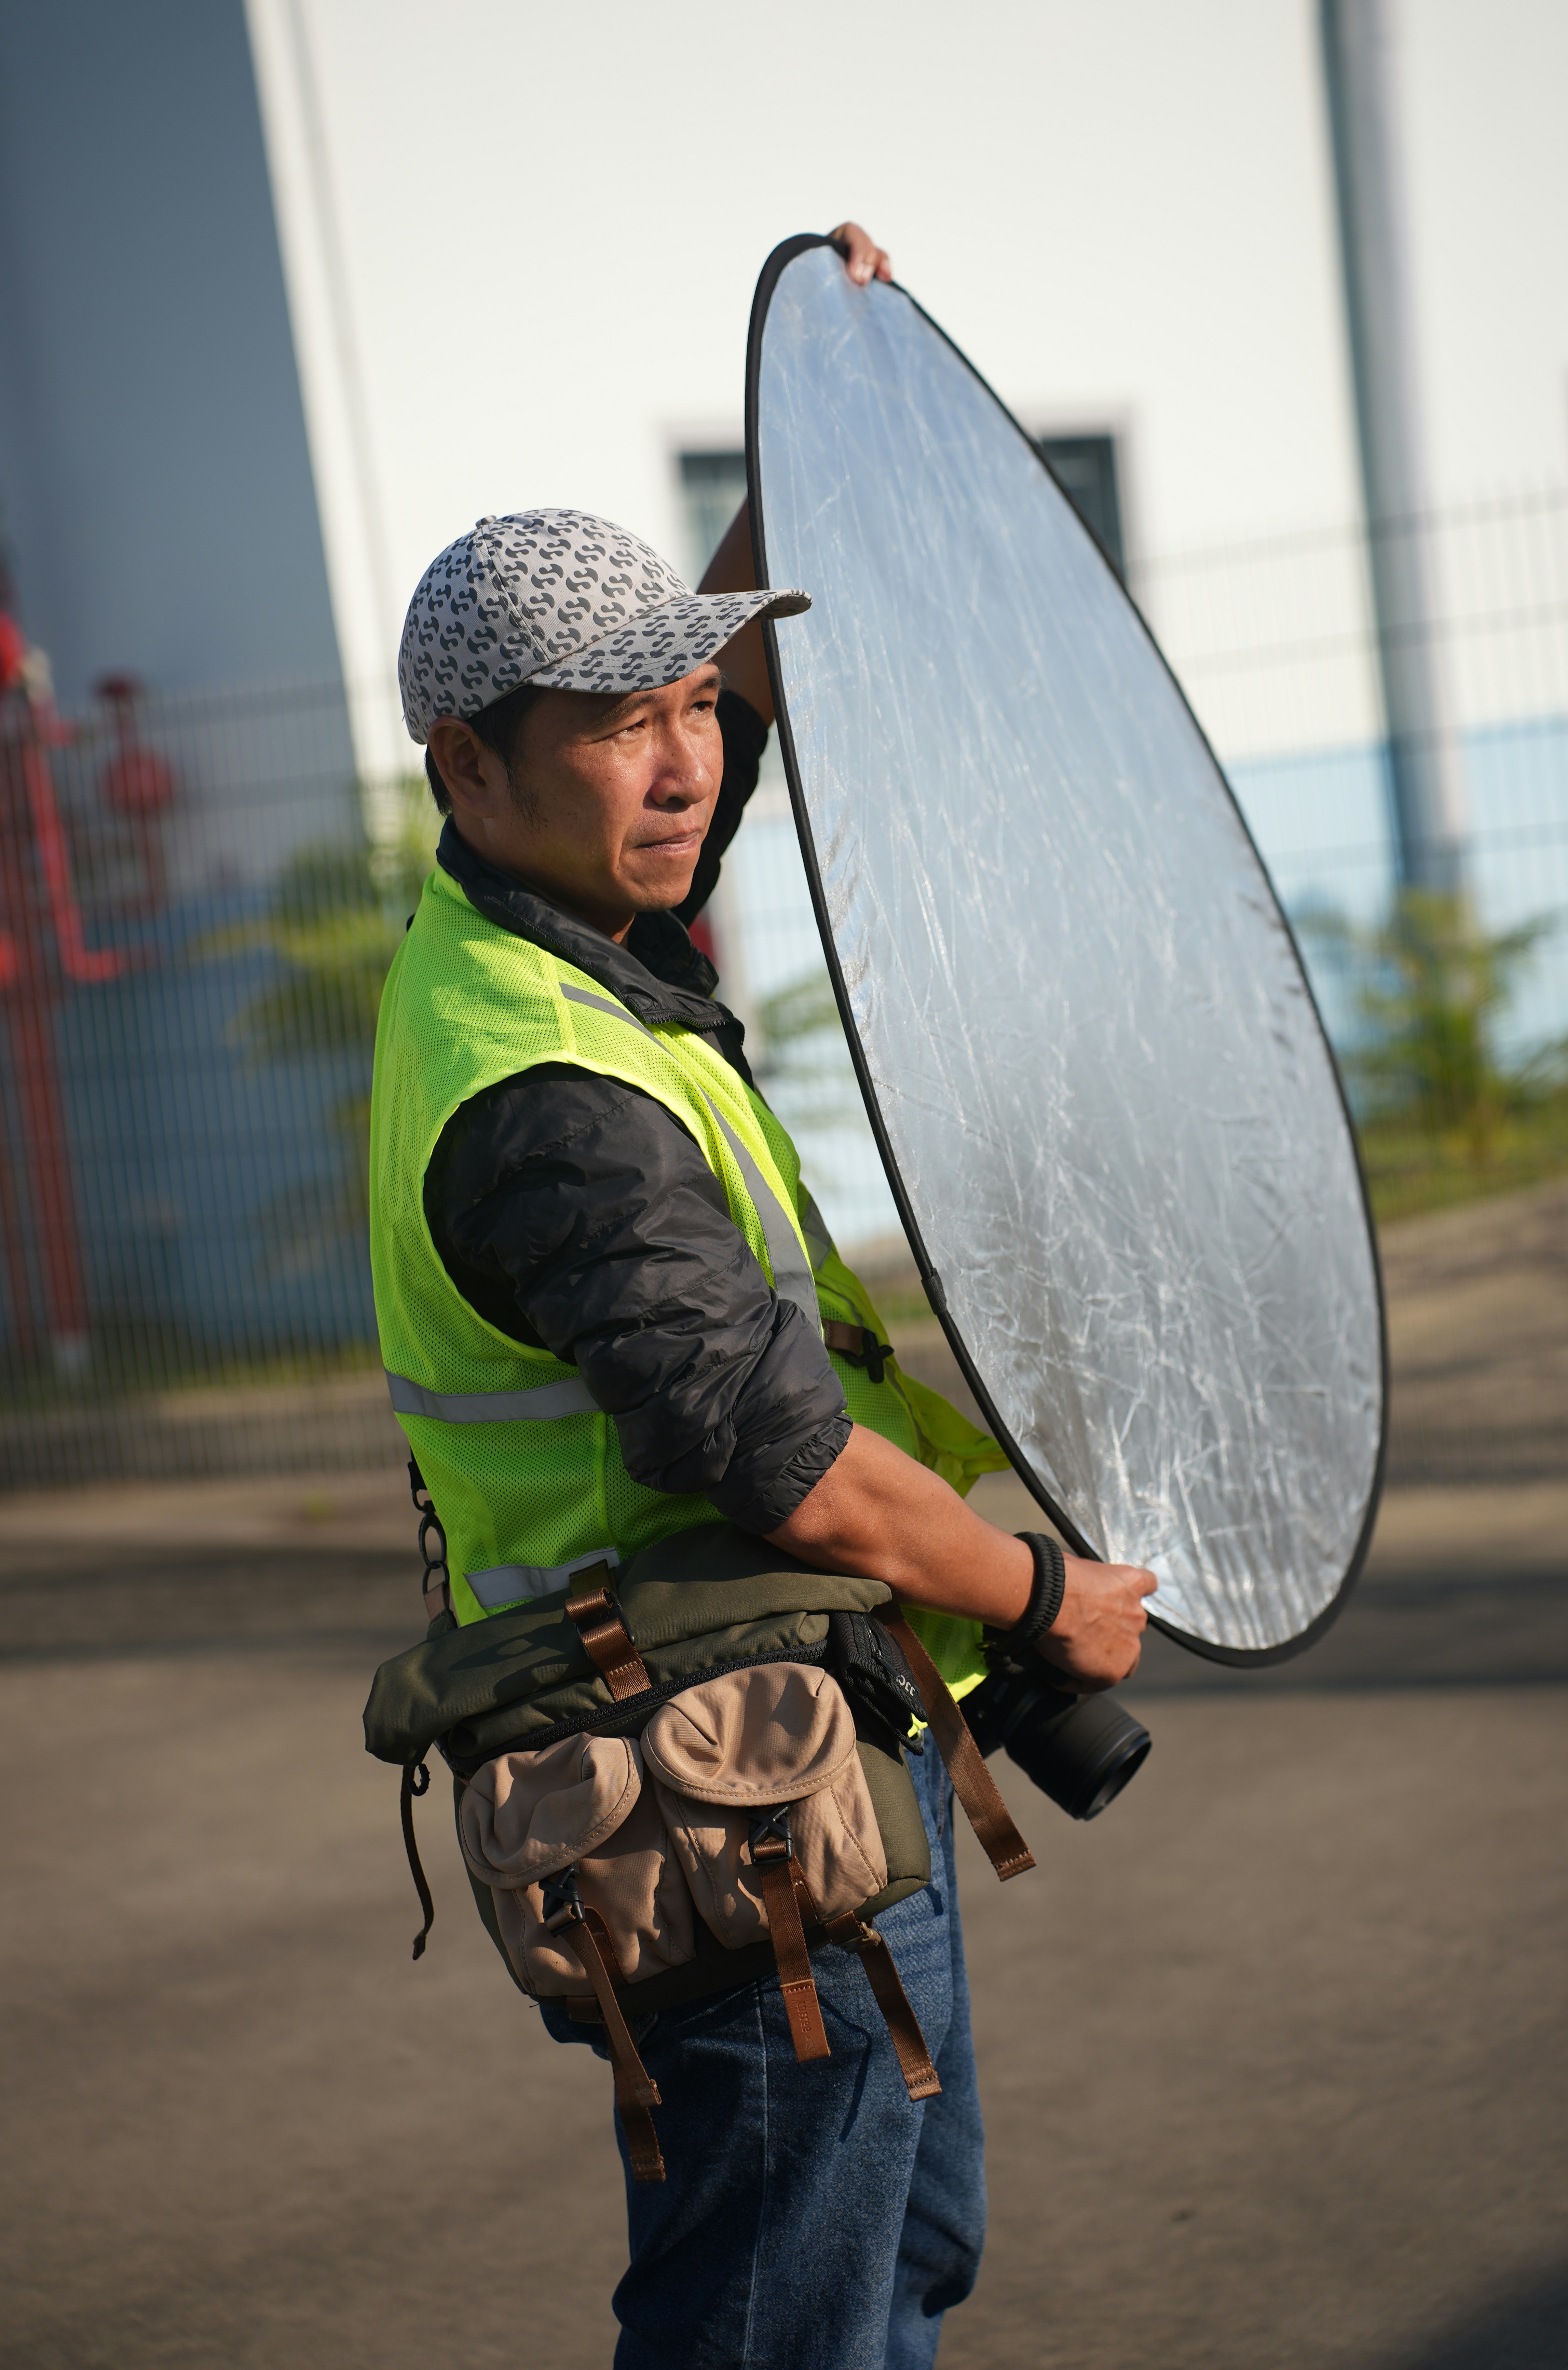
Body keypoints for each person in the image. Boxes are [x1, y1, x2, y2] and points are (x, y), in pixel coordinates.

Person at [372, 221, 1156, 2370]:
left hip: (804, 1752)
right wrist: (1034, 1597)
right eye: (620, 728)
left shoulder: (574, 939)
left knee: (891, 2268)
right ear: (468, 766)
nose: (687, 761)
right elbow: (777, 1464)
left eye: (688, 707)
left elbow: (741, 687)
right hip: (710, 1809)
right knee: (777, 2319)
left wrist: (816, 410)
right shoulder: (542, 1094)